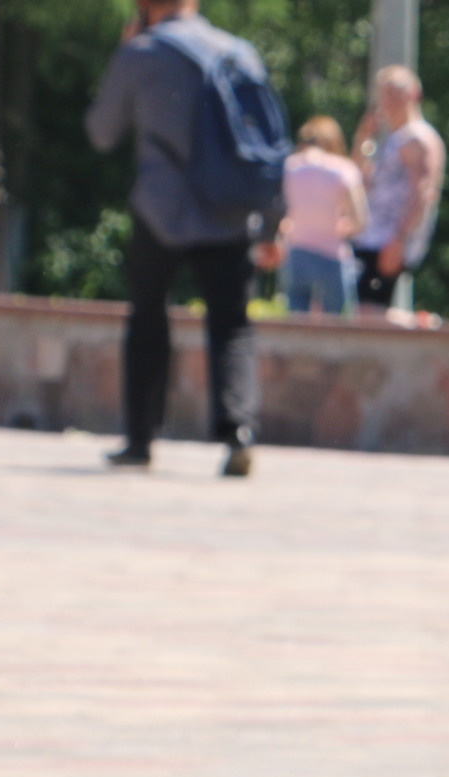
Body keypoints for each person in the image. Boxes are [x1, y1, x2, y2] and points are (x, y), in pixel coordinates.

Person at [85, 0, 275, 476]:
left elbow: (101, 132)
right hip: (228, 211)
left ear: (147, 8)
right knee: (231, 325)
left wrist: (122, 56)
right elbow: (265, 144)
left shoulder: (142, 53)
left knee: (148, 318)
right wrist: (271, 221)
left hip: (161, 208)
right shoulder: (239, 52)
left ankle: (140, 439)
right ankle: (238, 432)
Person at [352, 66, 445, 320]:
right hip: (370, 236)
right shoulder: (392, 139)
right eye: (384, 94)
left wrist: (400, 239)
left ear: (414, 95)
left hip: (390, 239)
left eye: (396, 93)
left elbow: (424, 191)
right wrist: (363, 136)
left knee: (370, 314)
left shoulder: (419, 138)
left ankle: (422, 327)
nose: (388, 101)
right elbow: (358, 178)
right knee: (361, 312)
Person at [269, 117, 366, 316]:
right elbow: (360, 220)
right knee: (337, 329)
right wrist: (344, 227)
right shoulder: (343, 169)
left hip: (296, 254)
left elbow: (274, 213)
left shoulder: (287, 167)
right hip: (332, 255)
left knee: (296, 326)